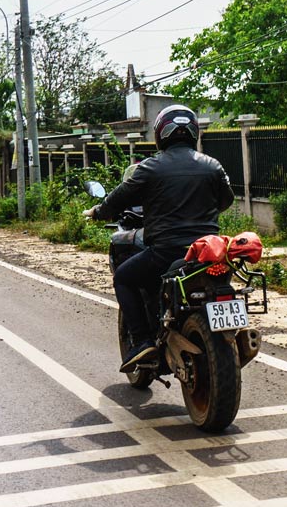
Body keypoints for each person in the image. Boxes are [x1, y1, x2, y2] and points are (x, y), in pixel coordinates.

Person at [83, 105, 235, 373]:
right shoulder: (213, 165)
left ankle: (142, 341)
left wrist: (98, 211)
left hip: (167, 252)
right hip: (208, 252)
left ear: (161, 134)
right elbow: (226, 200)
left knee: (124, 278)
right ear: (193, 132)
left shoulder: (151, 167)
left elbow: (118, 198)